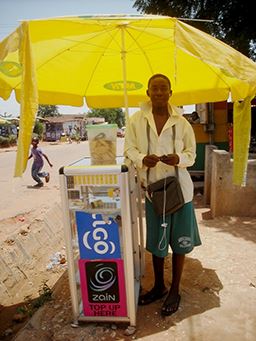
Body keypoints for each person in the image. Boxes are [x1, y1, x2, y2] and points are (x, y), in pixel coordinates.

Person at [124, 74, 201, 316]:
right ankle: (159, 286)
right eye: (154, 88)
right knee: (157, 244)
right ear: (147, 92)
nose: (158, 92)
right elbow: (129, 150)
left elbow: (192, 154)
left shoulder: (182, 123)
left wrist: (180, 159)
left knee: (179, 243)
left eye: (163, 88)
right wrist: (140, 159)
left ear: (170, 92)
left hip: (180, 192)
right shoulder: (136, 121)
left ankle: (174, 289)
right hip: (154, 194)